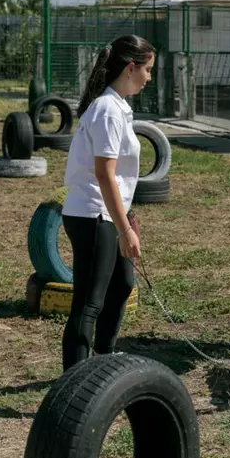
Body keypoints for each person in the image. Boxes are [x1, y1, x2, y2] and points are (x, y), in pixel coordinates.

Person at [60, 34, 155, 371]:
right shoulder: (107, 111)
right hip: (92, 214)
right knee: (89, 302)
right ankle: (74, 377)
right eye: (147, 70)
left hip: (108, 213)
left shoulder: (118, 108)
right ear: (130, 67)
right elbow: (104, 174)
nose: (149, 77)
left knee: (122, 285)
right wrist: (124, 229)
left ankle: (102, 359)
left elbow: (118, 177)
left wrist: (127, 219)